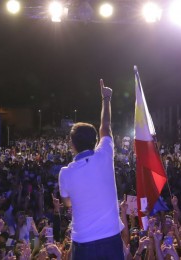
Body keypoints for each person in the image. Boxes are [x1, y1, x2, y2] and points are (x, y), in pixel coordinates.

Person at [58, 79, 125, 260]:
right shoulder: (104, 154)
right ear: (95, 141)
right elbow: (106, 127)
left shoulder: (65, 173)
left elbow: (67, 203)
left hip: (84, 242)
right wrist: (106, 98)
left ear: (72, 144)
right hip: (111, 239)